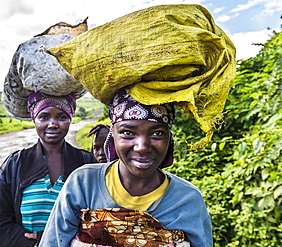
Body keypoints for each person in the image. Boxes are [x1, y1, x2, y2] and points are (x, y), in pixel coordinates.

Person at [39, 89, 213, 247]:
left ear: (170, 138)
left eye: (157, 133)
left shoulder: (188, 200)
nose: (142, 146)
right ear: (112, 135)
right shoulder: (83, 184)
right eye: (128, 133)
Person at [0, 91, 97, 247]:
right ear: (34, 119)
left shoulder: (86, 163)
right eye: (44, 117)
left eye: (62, 117)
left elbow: (100, 215)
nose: (52, 124)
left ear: (70, 119)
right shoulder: (16, 163)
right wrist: (25, 241)